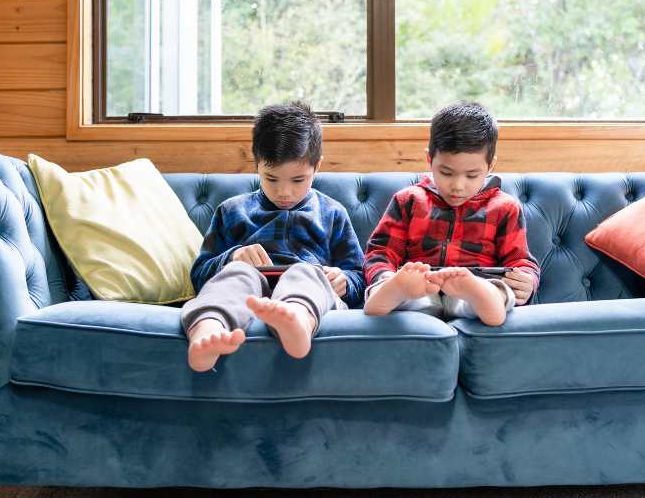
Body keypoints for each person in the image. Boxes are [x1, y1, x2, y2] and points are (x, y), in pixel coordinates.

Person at [182, 102, 365, 371]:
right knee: (237, 276)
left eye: (298, 180)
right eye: (271, 178)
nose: (285, 193)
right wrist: (232, 257)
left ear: (317, 167)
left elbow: (360, 276)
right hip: (248, 290)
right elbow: (199, 275)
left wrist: (344, 281)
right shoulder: (232, 211)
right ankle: (208, 330)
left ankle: (297, 321)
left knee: (304, 272)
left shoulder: (332, 213)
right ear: (257, 166)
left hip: (308, 284)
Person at [363, 102, 540, 326]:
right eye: (446, 172)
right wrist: (387, 278)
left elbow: (520, 261)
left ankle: (483, 296)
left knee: (497, 290)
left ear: (490, 166)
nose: (457, 186)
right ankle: (391, 292)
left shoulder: (505, 207)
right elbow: (381, 252)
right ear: (430, 160)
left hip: (476, 287)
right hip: (422, 288)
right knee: (406, 292)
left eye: (471, 175)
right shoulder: (408, 200)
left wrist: (527, 280)